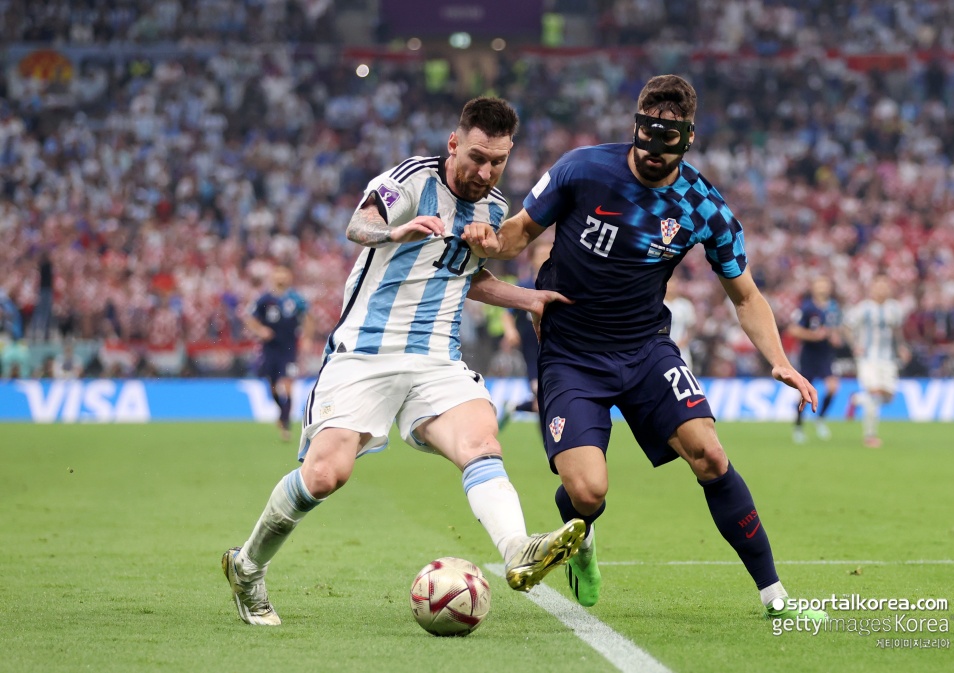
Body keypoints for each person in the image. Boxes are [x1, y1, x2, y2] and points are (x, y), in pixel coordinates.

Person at [462, 75, 827, 621]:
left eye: (668, 142)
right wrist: (487, 241)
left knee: (710, 454)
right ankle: (582, 540)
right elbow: (518, 233)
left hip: (645, 349)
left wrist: (779, 361)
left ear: (689, 138)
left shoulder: (703, 207)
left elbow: (746, 295)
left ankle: (775, 597)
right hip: (570, 354)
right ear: (636, 126)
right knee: (588, 493)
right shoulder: (582, 169)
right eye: (646, 137)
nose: (653, 152)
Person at [222, 97, 584, 626]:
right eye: (477, 157)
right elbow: (359, 224)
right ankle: (248, 566)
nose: (485, 172)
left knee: (481, 442)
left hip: (436, 358)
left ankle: (517, 549)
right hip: (365, 352)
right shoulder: (411, 179)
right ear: (454, 143)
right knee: (324, 475)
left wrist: (527, 299)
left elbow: (464, 274)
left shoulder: (494, 209)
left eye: (498, 162)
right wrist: (395, 231)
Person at [244, 266, 314, 441]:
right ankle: (281, 413)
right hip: (270, 348)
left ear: (289, 277)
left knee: (288, 383)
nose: (281, 278)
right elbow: (250, 319)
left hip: (289, 348)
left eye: (284, 275)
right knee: (273, 385)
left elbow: (308, 318)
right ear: (273, 278)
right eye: (278, 275)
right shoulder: (264, 299)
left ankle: (285, 425)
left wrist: (307, 338)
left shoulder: (296, 299)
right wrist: (260, 330)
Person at [844, 275, 908, 448]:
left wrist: (902, 347)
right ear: (872, 289)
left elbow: (897, 330)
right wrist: (855, 345)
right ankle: (870, 436)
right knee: (874, 394)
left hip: (888, 359)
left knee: (888, 397)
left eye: (885, 286)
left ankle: (856, 399)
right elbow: (847, 327)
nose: (882, 289)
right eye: (878, 286)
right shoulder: (863, 308)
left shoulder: (895, 309)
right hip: (867, 358)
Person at [498, 239, 553, 427]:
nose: (545, 259)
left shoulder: (560, 286)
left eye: (549, 255)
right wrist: (510, 331)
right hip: (532, 354)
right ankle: (550, 444)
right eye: (541, 255)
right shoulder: (525, 286)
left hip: (558, 351)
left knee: (547, 401)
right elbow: (507, 314)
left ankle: (514, 407)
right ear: (532, 259)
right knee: (542, 400)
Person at [787, 276, 842, 443]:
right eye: (819, 285)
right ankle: (798, 426)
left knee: (832, 388)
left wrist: (835, 337)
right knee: (804, 393)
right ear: (813, 288)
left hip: (825, 354)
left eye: (825, 285)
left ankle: (820, 419)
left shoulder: (834, 307)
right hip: (808, 355)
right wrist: (813, 336)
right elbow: (793, 330)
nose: (823, 288)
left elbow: (836, 329)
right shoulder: (806, 307)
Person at [663, 282, 696, 372]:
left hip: (682, 349)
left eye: (673, 286)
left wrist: (684, 341)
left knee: (685, 373)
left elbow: (691, 327)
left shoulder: (685, 305)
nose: (671, 289)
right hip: (663, 348)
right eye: (669, 286)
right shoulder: (660, 305)